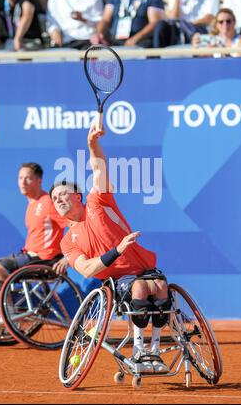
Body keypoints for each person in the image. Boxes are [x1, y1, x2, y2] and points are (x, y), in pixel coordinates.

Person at [50, 124, 170, 373]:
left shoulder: (98, 200)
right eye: (54, 198)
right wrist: (117, 250)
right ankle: (139, 353)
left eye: (64, 194)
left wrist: (92, 144)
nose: (59, 199)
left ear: (78, 196)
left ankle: (155, 352)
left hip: (145, 267)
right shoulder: (67, 241)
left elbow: (98, 168)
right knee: (140, 287)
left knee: (159, 286)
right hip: (118, 280)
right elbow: (85, 269)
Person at [0, 162, 68, 306]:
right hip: (29, 256)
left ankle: (7, 319)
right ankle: (8, 314)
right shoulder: (32, 204)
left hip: (45, 260)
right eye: (20, 178)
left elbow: (75, 225)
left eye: (28, 178)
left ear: (39, 181)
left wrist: (68, 257)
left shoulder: (48, 202)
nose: (22, 182)